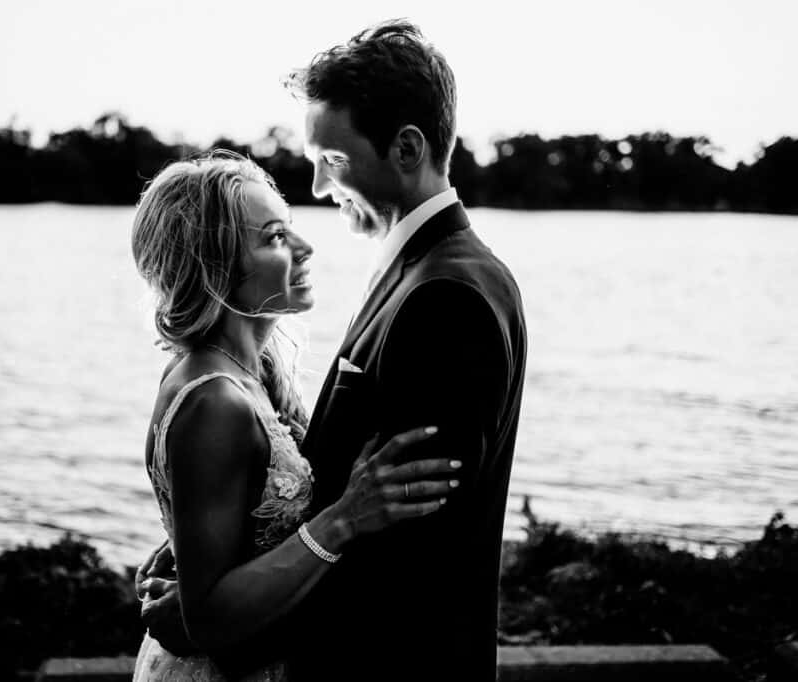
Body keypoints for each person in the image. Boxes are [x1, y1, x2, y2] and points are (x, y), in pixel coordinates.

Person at [139, 19, 527, 680]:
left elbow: (397, 561)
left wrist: (199, 624)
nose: (318, 186)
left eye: (332, 159)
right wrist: (212, 559)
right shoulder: (416, 276)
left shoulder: (447, 298)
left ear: (407, 149)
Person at [129, 150, 462, 681]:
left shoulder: (244, 369)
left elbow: (227, 515)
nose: (306, 249)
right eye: (275, 238)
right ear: (216, 267)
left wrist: (187, 550)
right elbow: (210, 618)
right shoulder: (215, 400)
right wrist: (346, 517)